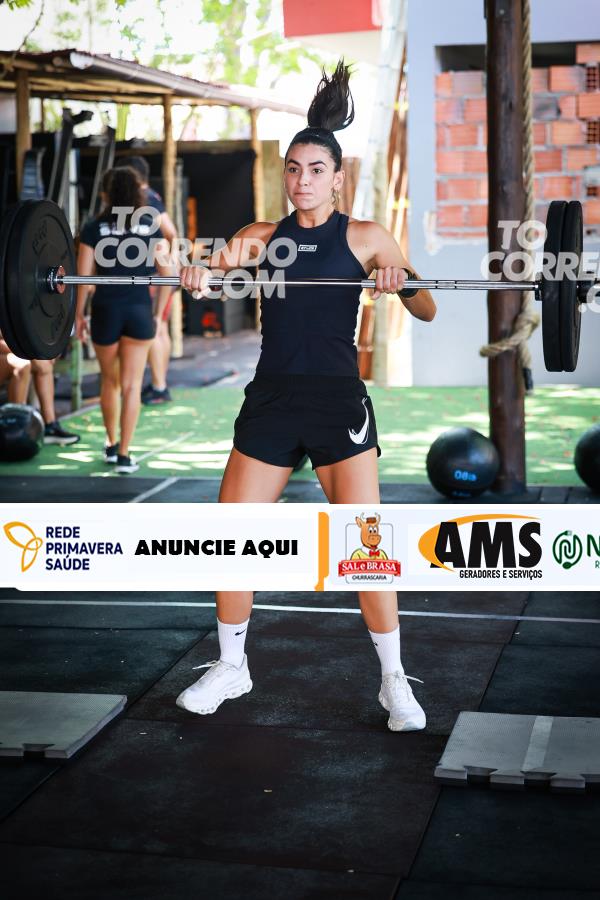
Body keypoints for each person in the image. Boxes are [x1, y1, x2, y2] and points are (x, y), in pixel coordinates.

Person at [176, 62, 437, 733]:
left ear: (337, 177)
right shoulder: (262, 238)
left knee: (364, 545)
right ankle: (232, 666)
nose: (302, 180)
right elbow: (212, 270)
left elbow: (428, 307)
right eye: (294, 169)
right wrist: (198, 276)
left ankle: (393, 680)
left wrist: (400, 282)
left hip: (337, 403)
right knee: (231, 535)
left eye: (316, 170)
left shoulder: (366, 237)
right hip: (271, 399)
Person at [75, 166, 174, 473]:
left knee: (110, 381)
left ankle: (110, 443)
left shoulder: (94, 227)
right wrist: (158, 315)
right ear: (138, 192)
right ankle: (124, 454)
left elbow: (82, 278)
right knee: (132, 385)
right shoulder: (149, 226)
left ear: (105, 194)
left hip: (105, 310)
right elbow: (168, 275)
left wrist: (78, 315)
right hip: (138, 311)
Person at [115, 155, 178, 406]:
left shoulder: (144, 198)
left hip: (154, 276)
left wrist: (166, 263)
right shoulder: (151, 196)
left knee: (156, 327)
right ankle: (159, 384)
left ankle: (159, 386)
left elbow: (170, 232)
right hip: (159, 274)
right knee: (160, 327)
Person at [0, 335, 80, 445]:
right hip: (9, 352)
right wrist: (29, 352)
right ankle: (15, 432)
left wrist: (41, 351)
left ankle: (50, 426)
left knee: (44, 364)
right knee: (22, 364)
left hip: (12, 350)